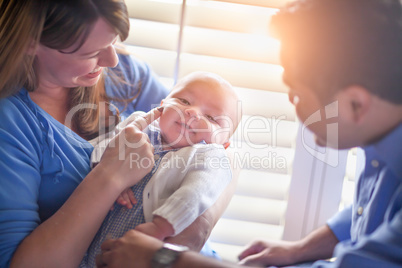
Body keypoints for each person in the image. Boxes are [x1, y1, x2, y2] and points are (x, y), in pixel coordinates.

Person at [95, 0, 402, 267]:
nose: (294, 108)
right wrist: (301, 250)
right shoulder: (381, 135)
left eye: (297, 96)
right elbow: (369, 209)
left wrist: (162, 259)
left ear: (356, 105)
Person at [0, 1, 236, 267]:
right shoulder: (11, 124)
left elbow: (221, 149)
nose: (111, 60)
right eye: (92, 51)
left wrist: (191, 231)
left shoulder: (123, 71)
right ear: (31, 40)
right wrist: (111, 175)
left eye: (113, 42)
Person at [81, 71, 240, 267]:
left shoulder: (209, 158)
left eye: (211, 117)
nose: (193, 112)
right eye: (184, 101)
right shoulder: (139, 124)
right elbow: (103, 145)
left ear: (224, 144)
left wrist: (161, 227)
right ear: (162, 106)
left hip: (139, 249)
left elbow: (194, 196)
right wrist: (109, 172)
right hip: (85, 251)